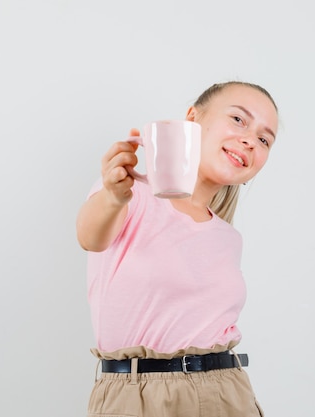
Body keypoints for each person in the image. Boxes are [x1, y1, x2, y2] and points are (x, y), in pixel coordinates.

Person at [76, 81, 279, 417]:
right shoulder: (131, 193)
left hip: (227, 392)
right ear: (192, 119)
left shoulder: (227, 237)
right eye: (239, 120)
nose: (250, 140)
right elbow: (90, 238)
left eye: (264, 139)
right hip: (139, 397)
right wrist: (113, 195)